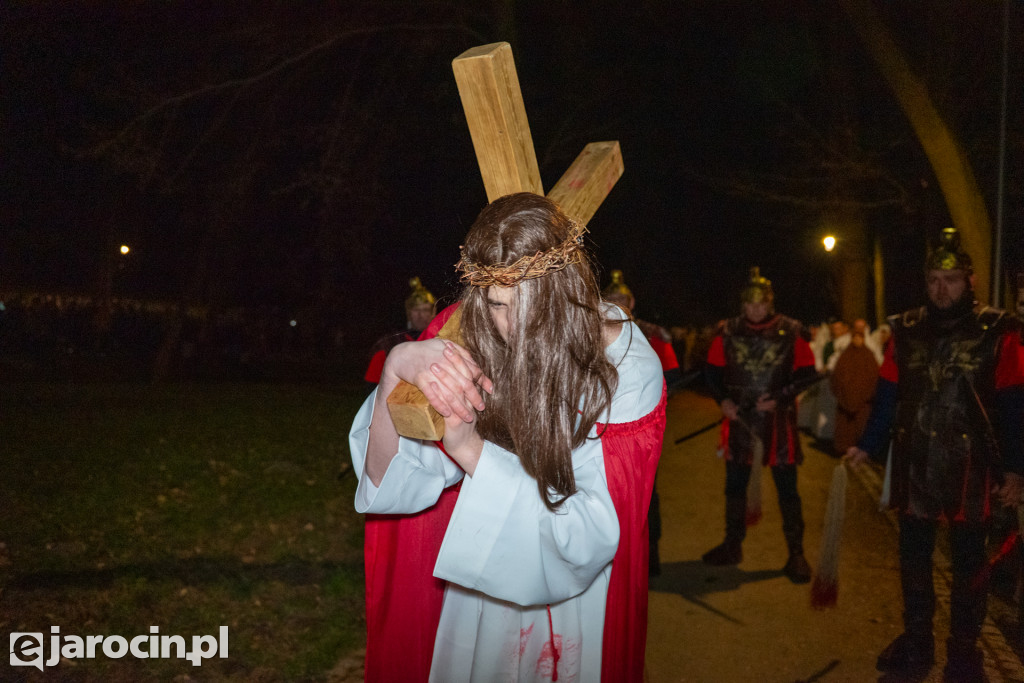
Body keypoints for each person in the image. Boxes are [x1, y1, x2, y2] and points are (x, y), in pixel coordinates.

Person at [349, 192, 666, 682]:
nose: (513, 327)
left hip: (571, 612)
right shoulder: (473, 332)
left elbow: (586, 538)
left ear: (566, 288)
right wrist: (395, 370)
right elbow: (392, 482)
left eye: (529, 305)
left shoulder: (624, 368)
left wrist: (470, 450)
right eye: (498, 305)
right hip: (478, 594)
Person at [846, 228, 1024, 683]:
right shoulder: (906, 331)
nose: (942, 289)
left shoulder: (997, 332)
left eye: (951, 280)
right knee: (913, 560)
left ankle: (963, 652)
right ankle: (917, 640)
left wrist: (1015, 469)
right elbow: (888, 395)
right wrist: (867, 444)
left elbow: (1012, 404)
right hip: (916, 461)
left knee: (969, 566)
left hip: (972, 467)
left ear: (970, 281)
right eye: (934, 280)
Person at [702, 267, 819, 583]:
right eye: (750, 304)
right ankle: (732, 545)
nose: (756, 309)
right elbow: (712, 372)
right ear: (743, 304)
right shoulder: (728, 332)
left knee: (787, 490)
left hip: (777, 421)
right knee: (735, 487)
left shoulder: (791, 331)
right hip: (740, 419)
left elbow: (808, 374)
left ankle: (796, 553)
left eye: (761, 304)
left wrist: (780, 397)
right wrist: (723, 401)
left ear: (770, 303)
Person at [602, 269, 678, 576]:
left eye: (622, 298)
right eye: (611, 298)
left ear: (631, 301)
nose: (617, 302)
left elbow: (671, 375)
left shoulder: (651, 334)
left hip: (642, 427)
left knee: (646, 492)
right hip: (604, 426)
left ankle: (650, 555)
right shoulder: (592, 332)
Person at [363, 276, 436, 386]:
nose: (420, 315)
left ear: (433, 313)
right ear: (409, 313)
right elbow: (372, 385)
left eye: (425, 310)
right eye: (416, 310)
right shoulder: (388, 345)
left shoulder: (440, 340)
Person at [829, 328, 878, 456]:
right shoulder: (845, 356)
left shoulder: (869, 357)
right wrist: (843, 394)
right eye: (855, 337)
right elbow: (837, 376)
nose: (857, 340)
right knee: (845, 430)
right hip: (845, 402)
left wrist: (866, 395)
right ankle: (843, 449)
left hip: (863, 403)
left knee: (861, 427)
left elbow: (873, 378)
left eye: (860, 337)